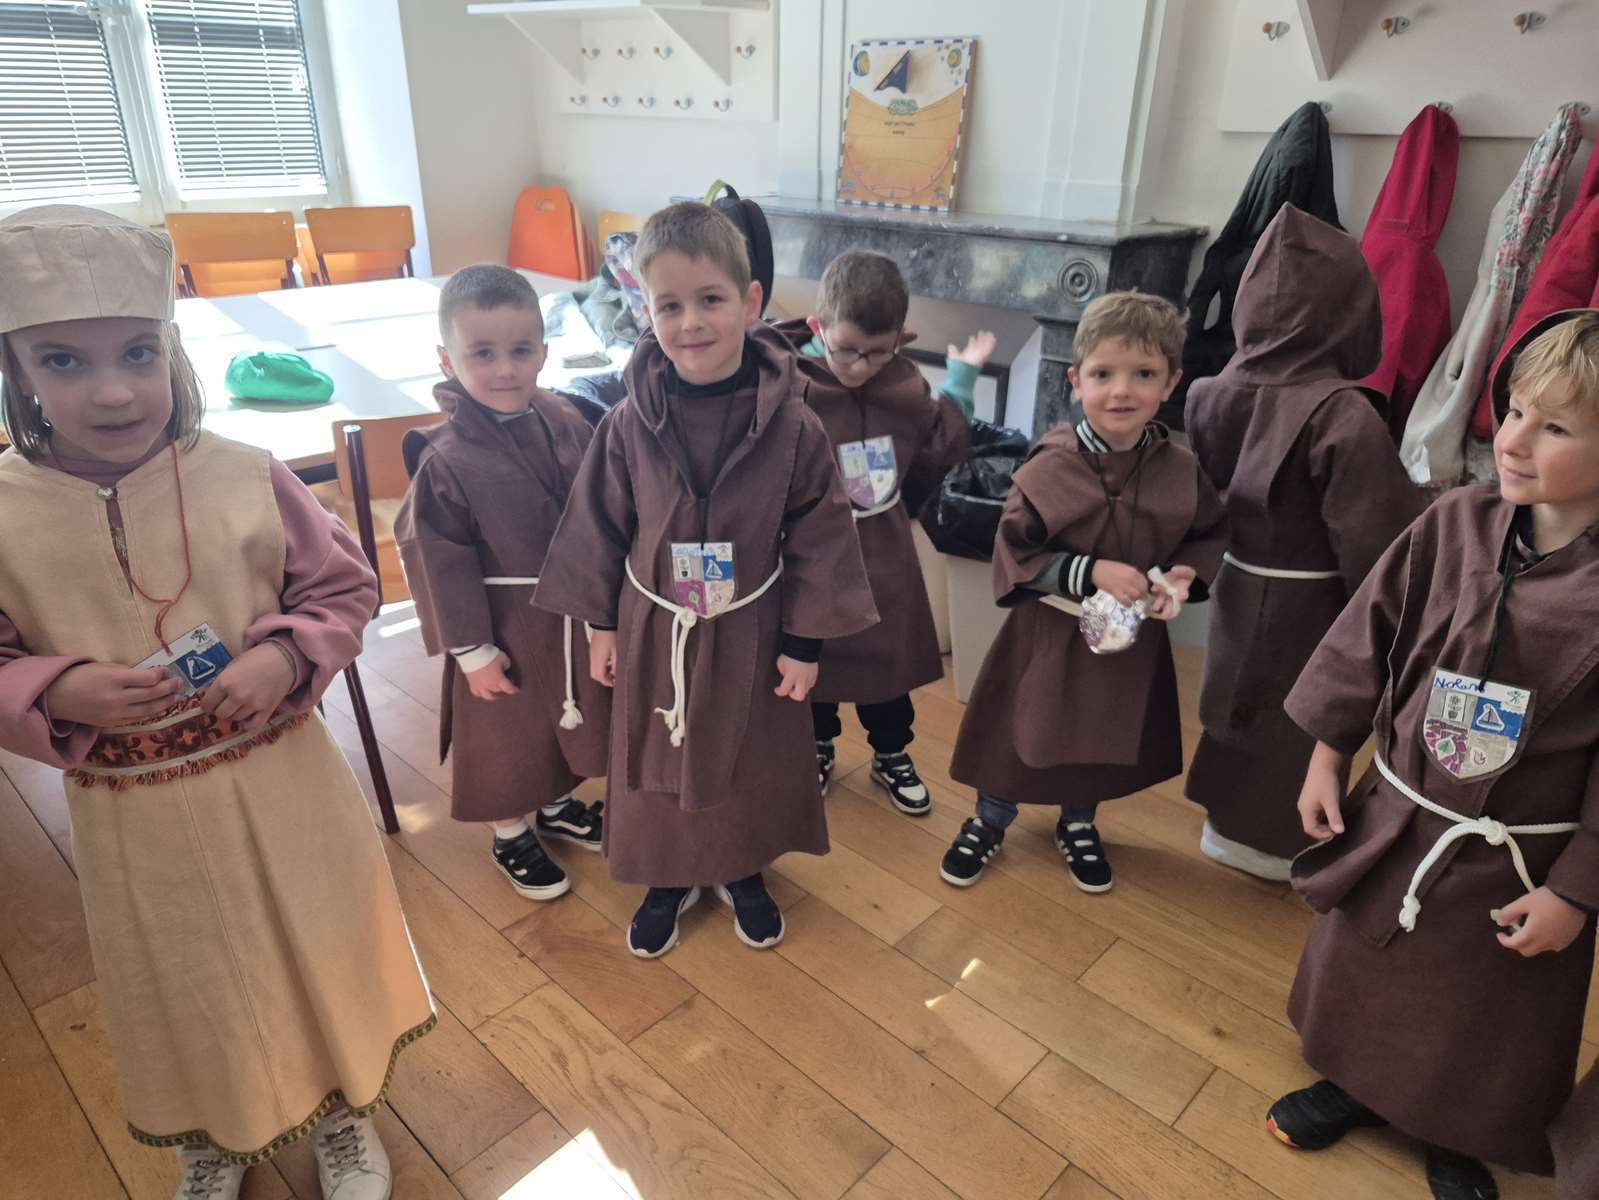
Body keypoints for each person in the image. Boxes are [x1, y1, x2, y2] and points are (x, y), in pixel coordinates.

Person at [0, 206, 433, 1200]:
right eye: (63, 361)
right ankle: (216, 1128)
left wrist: (284, 658)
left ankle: (345, 1110)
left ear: (172, 347)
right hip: (131, 811)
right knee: (182, 969)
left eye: (137, 352)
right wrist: (56, 686)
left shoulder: (247, 477)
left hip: (280, 779)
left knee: (316, 941)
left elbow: (342, 590)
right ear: (16, 369)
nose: (114, 391)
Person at [1266, 310, 1599, 1200]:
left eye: (1554, 427)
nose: (1512, 439)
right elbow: (1364, 638)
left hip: (1517, 855)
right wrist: (1327, 754)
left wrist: (1575, 890)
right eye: (1514, 410)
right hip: (1401, 810)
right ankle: (1350, 1082)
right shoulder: (1452, 522)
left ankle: (1449, 1129)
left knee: (1475, 1011)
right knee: (1363, 962)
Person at [533, 202, 877, 957]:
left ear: (750, 303)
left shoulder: (796, 426)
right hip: (655, 624)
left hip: (751, 623)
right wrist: (600, 627)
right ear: (644, 310)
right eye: (669, 305)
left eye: (710, 300)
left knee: (744, 749)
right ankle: (666, 871)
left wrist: (804, 643)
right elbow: (599, 527)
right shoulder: (626, 423)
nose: (690, 323)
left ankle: (741, 864)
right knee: (660, 745)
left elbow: (821, 535)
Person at [942, 291, 1228, 893]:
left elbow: (1206, 535)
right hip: (1048, 632)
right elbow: (1014, 552)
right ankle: (990, 819)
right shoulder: (1051, 463)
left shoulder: (1180, 470)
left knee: (1101, 732)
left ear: (1170, 384)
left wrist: (1181, 576)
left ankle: (1078, 822)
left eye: (1143, 374)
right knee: (1017, 731)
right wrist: (1090, 571)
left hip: (1126, 642)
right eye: (1103, 374)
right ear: (1076, 381)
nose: (1121, 391)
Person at [1184, 205, 1425, 880]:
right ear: (1349, 309)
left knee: (1235, 701)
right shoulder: (1343, 414)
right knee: (1297, 715)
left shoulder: (1208, 393)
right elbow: (1378, 542)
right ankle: (1274, 843)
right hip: (1312, 604)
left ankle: (1224, 826)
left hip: (1236, 581)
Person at [396, 265, 608, 902]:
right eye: (482, 353)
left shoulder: (565, 416)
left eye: (520, 350)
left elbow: (601, 503)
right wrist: (471, 651)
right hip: (501, 621)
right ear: (447, 358)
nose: (506, 369)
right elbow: (436, 558)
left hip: (567, 609)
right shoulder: (444, 457)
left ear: (543, 350)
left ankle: (556, 806)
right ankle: (510, 832)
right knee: (507, 733)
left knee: (564, 716)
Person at [773, 250, 990, 814]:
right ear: (819, 328)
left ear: (902, 338)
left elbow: (940, 445)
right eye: (846, 349)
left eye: (877, 351)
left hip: (881, 550)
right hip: (814, 554)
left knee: (887, 667)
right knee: (814, 659)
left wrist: (961, 381)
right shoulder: (790, 384)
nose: (860, 365)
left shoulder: (904, 385)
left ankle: (891, 752)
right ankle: (817, 745)